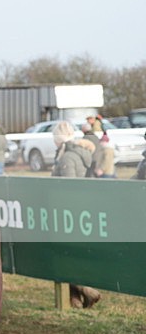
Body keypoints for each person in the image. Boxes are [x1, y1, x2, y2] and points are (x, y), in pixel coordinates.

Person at [51, 121, 102, 308]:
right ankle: (75, 301)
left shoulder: (67, 158)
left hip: (69, 212)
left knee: (66, 255)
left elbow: (67, 189)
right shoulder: (78, 153)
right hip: (82, 210)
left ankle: (87, 290)